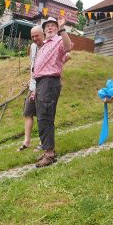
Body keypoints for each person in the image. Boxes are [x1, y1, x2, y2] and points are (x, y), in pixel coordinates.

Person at [34, 16, 73, 168]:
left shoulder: (58, 40)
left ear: (57, 28)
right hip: (40, 83)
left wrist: (63, 29)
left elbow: (68, 48)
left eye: (53, 25)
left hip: (50, 82)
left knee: (45, 116)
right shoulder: (43, 45)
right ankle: (47, 150)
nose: (50, 28)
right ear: (44, 30)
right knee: (42, 118)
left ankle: (49, 154)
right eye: (47, 26)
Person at [18, 25, 44, 151]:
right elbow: (32, 64)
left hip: (43, 85)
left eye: (36, 36)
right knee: (28, 112)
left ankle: (42, 141)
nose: (34, 38)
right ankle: (27, 141)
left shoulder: (48, 46)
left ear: (42, 34)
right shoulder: (33, 47)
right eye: (32, 36)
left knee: (42, 115)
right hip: (32, 85)